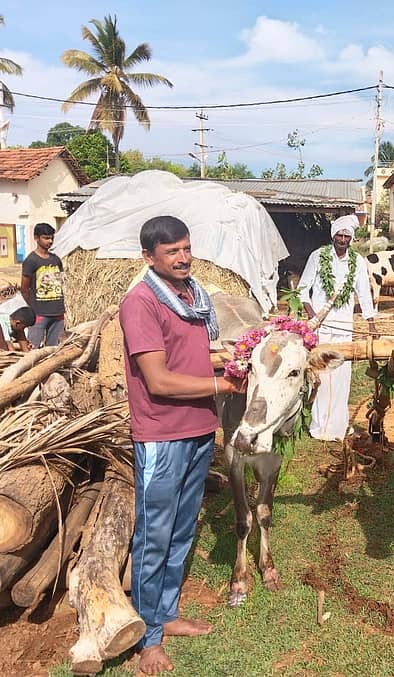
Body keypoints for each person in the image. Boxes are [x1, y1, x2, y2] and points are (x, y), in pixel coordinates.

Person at [119, 215, 245, 675]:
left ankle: (165, 615)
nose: (183, 258)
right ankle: (147, 639)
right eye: (172, 252)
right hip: (161, 434)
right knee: (154, 535)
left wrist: (226, 357)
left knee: (182, 530)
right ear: (149, 257)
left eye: (187, 248)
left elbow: (185, 356)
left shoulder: (191, 298)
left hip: (196, 430)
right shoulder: (141, 303)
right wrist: (222, 386)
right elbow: (158, 378)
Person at [298, 214, 377, 441]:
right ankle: (319, 427)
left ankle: (338, 425)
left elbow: (363, 293)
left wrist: (371, 323)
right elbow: (303, 289)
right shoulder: (318, 256)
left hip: (345, 326)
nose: (342, 239)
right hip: (321, 327)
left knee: (342, 376)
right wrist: (313, 316)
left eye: (346, 236)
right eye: (339, 235)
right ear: (333, 236)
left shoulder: (357, 262)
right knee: (321, 375)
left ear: (351, 239)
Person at [21, 223, 65, 347]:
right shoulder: (31, 260)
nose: (50, 241)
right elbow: (24, 288)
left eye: (51, 238)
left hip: (57, 311)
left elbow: (59, 282)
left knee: (53, 349)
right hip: (39, 312)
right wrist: (34, 306)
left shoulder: (56, 259)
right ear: (36, 238)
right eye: (46, 238)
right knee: (33, 347)